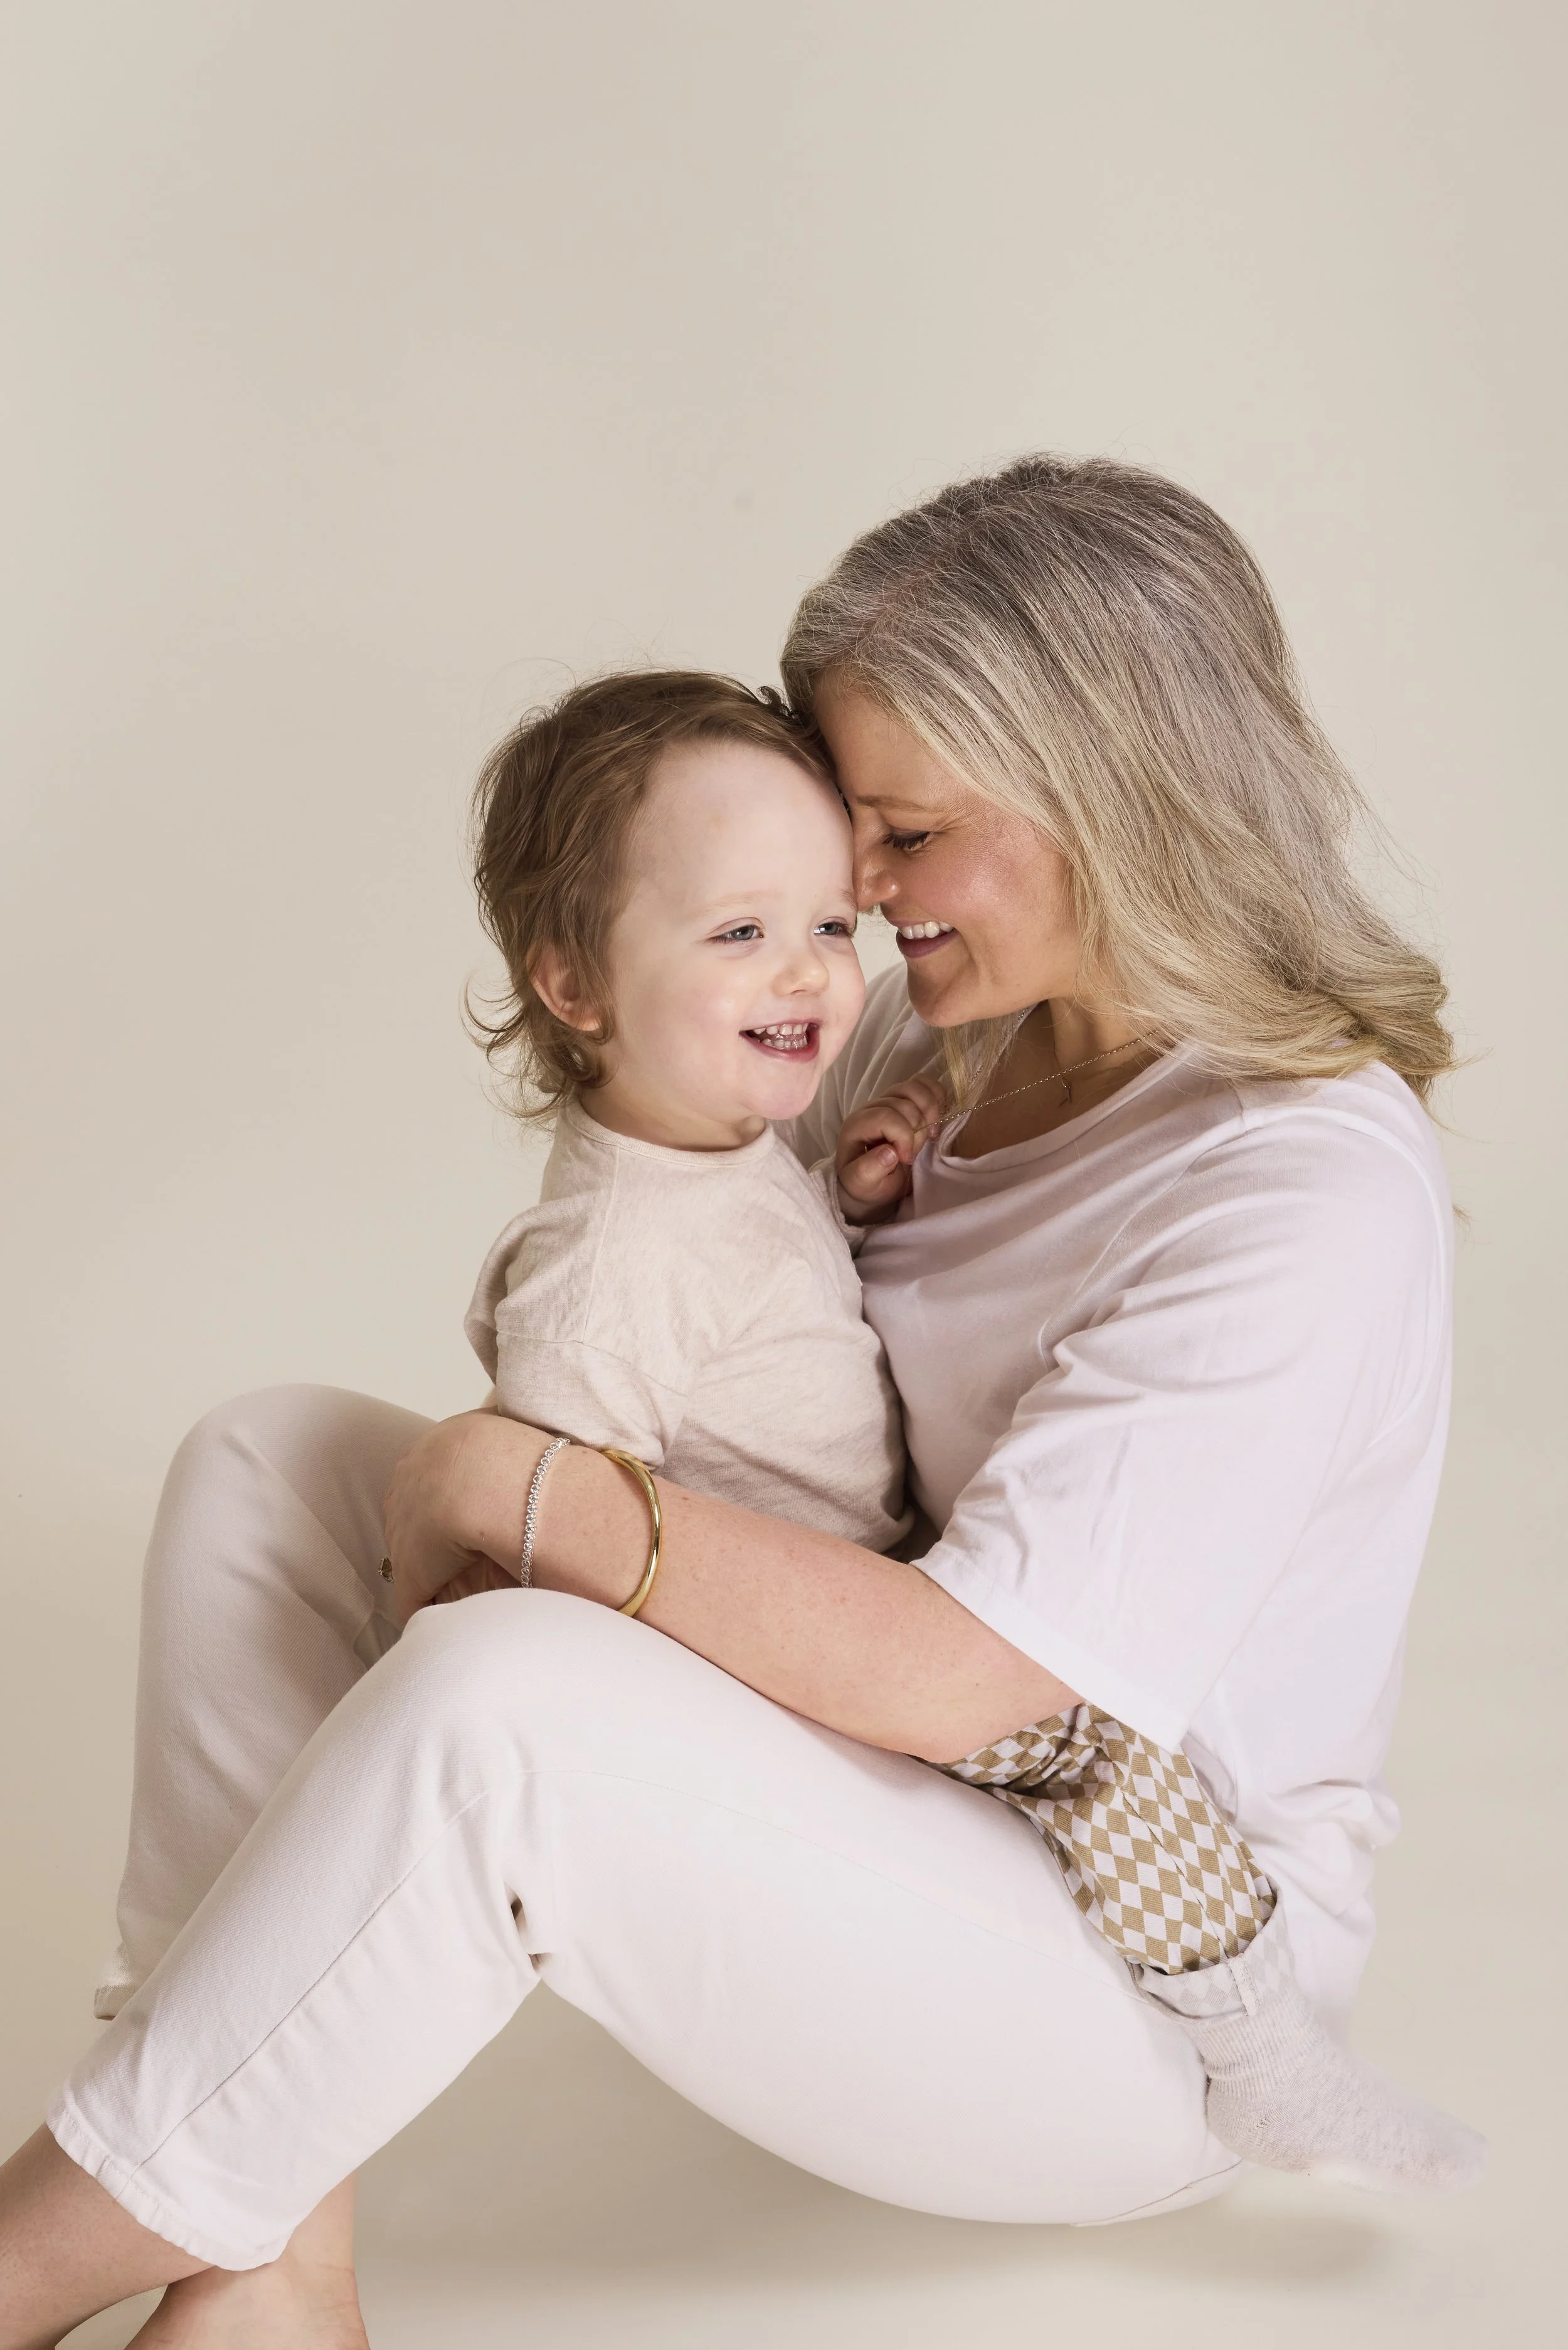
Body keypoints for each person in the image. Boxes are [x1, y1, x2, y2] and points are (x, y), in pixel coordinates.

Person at [0, 457, 1477, 2350]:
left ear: (1110, 798)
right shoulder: (933, 1023)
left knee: (495, 1702)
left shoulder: (1295, 1189)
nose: (850, 894)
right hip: (880, 1799)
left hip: (1115, 1985)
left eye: (904, 834)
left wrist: (534, 1494)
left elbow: (973, 1677)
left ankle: (50, 2245)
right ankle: (275, 2280)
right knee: (264, 1466)